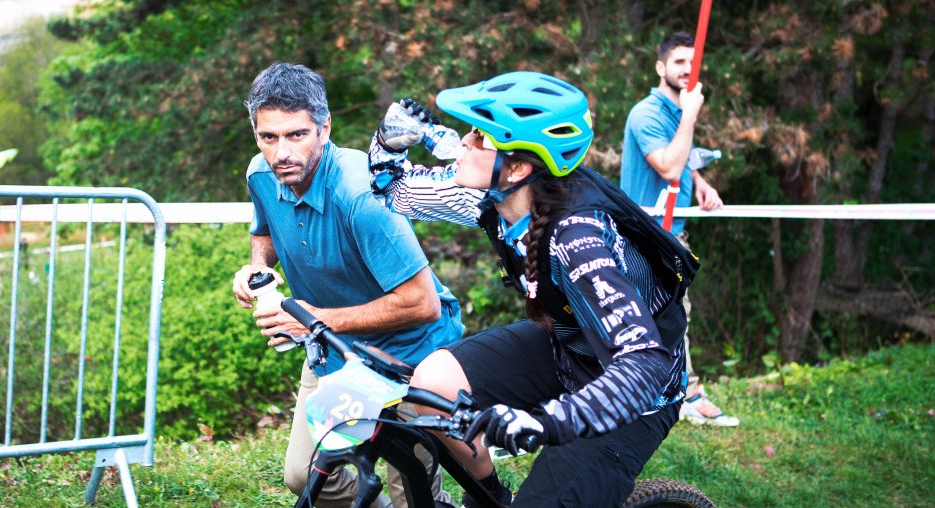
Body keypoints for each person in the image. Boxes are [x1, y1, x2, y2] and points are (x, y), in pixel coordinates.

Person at [368, 71, 699, 507]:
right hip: (571, 349)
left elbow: (643, 363)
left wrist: (546, 424)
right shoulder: (495, 198)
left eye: (479, 137)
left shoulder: (578, 238)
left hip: (635, 394)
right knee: (434, 388)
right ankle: (491, 499)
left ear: (519, 167)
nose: (465, 143)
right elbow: (394, 190)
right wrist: (388, 143)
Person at [231, 63, 463, 508]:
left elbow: (423, 303)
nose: (281, 152)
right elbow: (265, 230)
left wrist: (313, 320)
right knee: (306, 477)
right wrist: (255, 267)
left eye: (296, 134)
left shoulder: (361, 194)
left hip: (414, 353)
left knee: (412, 490)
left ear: (324, 127)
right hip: (333, 351)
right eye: (268, 137)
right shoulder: (262, 173)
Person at [620, 31, 739, 427]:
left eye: (693, 63)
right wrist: (690, 114)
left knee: (672, 315)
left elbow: (684, 161)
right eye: (679, 63)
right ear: (660, 67)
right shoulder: (648, 114)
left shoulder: (674, 114)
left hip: (673, 233)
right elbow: (668, 165)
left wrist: (702, 186)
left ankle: (676, 392)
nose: (688, 70)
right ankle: (681, 394)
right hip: (646, 235)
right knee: (659, 315)